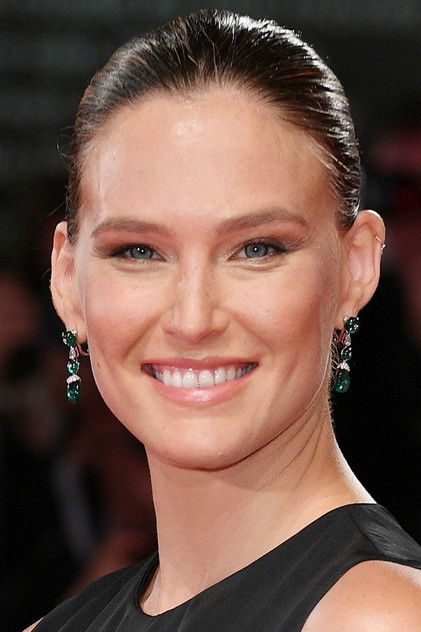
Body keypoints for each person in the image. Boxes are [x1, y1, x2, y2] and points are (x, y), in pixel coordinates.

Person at [25, 9, 421, 631]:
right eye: (139, 251)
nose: (193, 319)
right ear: (67, 281)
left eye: (256, 249)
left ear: (356, 267)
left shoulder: (380, 618)